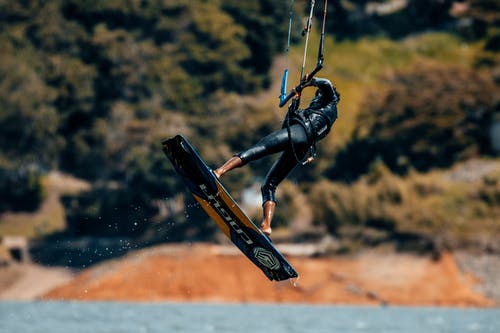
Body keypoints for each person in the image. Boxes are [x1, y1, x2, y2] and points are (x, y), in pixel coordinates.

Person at [214, 77, 339, 236]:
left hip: (299, 134)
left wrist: (311, 81)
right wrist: (295, 102)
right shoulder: (323, 113)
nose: (315, 98)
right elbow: (286, 125)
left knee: (258, 149)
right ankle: (266, 225)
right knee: (269, 185)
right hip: (301, 147)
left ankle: (219, 172)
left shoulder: (331, 100)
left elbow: (326, 84)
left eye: (317, 96)